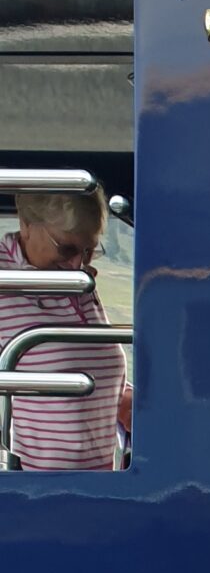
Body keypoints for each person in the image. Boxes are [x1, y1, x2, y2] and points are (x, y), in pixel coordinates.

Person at [0, 186, 128, 469]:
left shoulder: (75, 278)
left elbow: (76, 363)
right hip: (35, 493)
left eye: (89, 250)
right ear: (27, 225)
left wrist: (119, 393)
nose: (78, 264)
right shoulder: (4, 280)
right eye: (67, 248)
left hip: (98, 483)